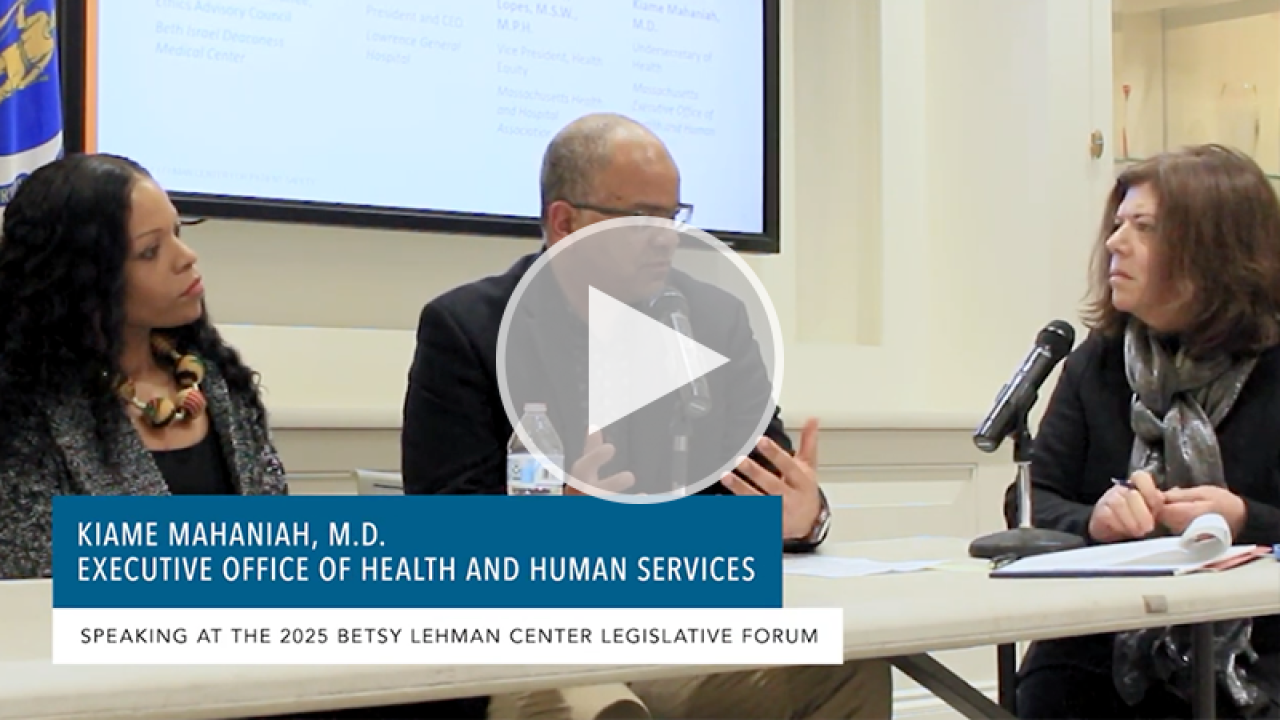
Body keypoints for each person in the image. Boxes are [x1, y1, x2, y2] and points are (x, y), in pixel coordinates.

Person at [401, 113, 892, 719]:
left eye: (672, 216)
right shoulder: (468, 329)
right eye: (640, 218)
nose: (666, 238)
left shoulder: (712, 320)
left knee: (848, 666)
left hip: (682, 626)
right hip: (542, 635)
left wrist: (801, 518)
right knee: (601, 705)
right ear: (565, 222)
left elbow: (759, 484)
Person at [1006, 144, 1280, 719]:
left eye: (1144, 227)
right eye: (1118, 223)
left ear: (1218, 250)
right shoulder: (1098, 361)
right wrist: (1094, 521)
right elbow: (1030, 502)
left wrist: (1244, 519)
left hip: (1257, 657)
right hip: (1097, 653)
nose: (1115, 242)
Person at [0, 153, 288, 579]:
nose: (186, 257)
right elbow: (38, 573)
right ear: (83, 279)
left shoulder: (216, 383)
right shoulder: (26, 416)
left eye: (178, 232)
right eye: (150, 251)